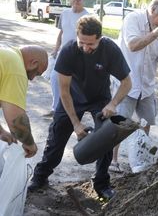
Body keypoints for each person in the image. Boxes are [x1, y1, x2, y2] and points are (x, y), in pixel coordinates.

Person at [28, 15, 132, 201]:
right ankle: (40, 177)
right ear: (77, 36)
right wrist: (76, 124)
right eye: (81, 42)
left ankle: (101, 183)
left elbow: (127, 83)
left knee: (106, 136)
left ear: (99, 39)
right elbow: (64, 92)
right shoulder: (68, 51)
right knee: (56, 138)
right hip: (72, 98)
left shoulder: (110, 50)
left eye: (90, 44)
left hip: (100, 99)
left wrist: (112, 104)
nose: (85, 47)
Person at [109, 0, 158, 173]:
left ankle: (140, 158)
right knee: (120, 123)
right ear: (152, 10)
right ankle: (113, 161)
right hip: (127, 83)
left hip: (147, 85)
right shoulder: (134, 19)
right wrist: (156, 33)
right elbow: (133, 45)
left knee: (146, 123)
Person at [44, 0, 89, 117]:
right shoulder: (64, 13)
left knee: (73, 83)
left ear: (83, 0)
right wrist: (55, 49)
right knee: (54, 79)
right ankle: (56, 108)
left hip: (79, 55)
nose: (76, 1)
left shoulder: (88, 16)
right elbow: (61, 33)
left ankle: (73, 110)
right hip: (63, 53)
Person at [0, 45, 48, 157]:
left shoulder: (7, 54)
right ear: (34, 63)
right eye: (36, 73)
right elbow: (16, 119)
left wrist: (1, 131)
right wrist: (30, 144)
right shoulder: (16, 69)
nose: (32, 79)